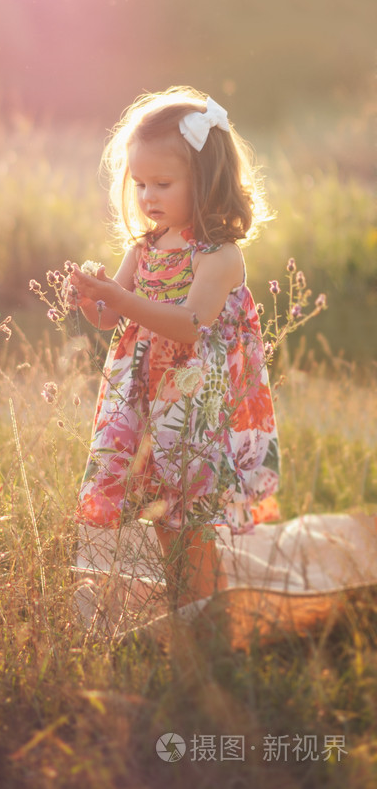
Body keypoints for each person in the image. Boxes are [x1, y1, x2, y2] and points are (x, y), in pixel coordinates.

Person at [69, 86, 279, 612]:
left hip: (192, 399)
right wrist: (93, 299)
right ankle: (150, 602)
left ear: (204, 182)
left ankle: (204, 607)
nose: (147, 196)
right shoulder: (142, 248)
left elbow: (189, 324)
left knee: (190, 501)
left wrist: (120, 297)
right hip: (140, 391)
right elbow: (110, 319)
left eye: (163, 183)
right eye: (139, 183)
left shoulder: (220, 257)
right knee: (145, 497)